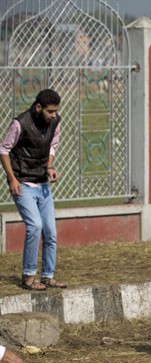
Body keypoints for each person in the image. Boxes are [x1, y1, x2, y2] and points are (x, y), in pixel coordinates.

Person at [0, 89, 66, 291]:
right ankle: (28, 277)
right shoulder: (20, 123)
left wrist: (50, 168)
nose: (54, 115)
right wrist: (12, 179)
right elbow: (4, 150)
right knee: (35, 226)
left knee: (50, 231)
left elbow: (52, 146)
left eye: (55, 111)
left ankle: (47, 276)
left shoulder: (55, 122)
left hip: (42, 184)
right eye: (50, 111)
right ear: (39, 107)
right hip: (23, 185)